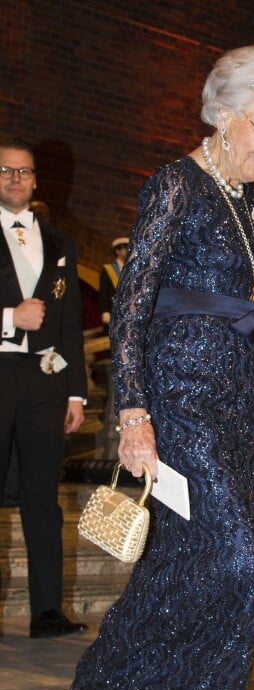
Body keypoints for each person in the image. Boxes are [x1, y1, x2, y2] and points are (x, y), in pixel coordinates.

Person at [54, 45, 254, 690]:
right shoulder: (174, 186)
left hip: (235, 406)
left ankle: (118, 682)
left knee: (193, 557)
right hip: (178, 403)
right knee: (241, 555)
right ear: (225, 117)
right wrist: (132, 416)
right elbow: (131, 310)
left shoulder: (249, 204)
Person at [0, 137, 88, 638]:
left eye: (24, 172)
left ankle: (47, 612)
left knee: (42, 496)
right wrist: (11, 317)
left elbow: (71, 322)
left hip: (45, 382)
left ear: (36, 180)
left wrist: (76, 392)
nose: (15, 178)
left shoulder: (60, 241)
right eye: (6, 171)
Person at [98, 237, 128, 332]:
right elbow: (103, 292)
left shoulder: (132, 268)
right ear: (117, 251)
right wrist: (105, 311)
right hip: (113, 312)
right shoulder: (108, 269)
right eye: (125, 248)